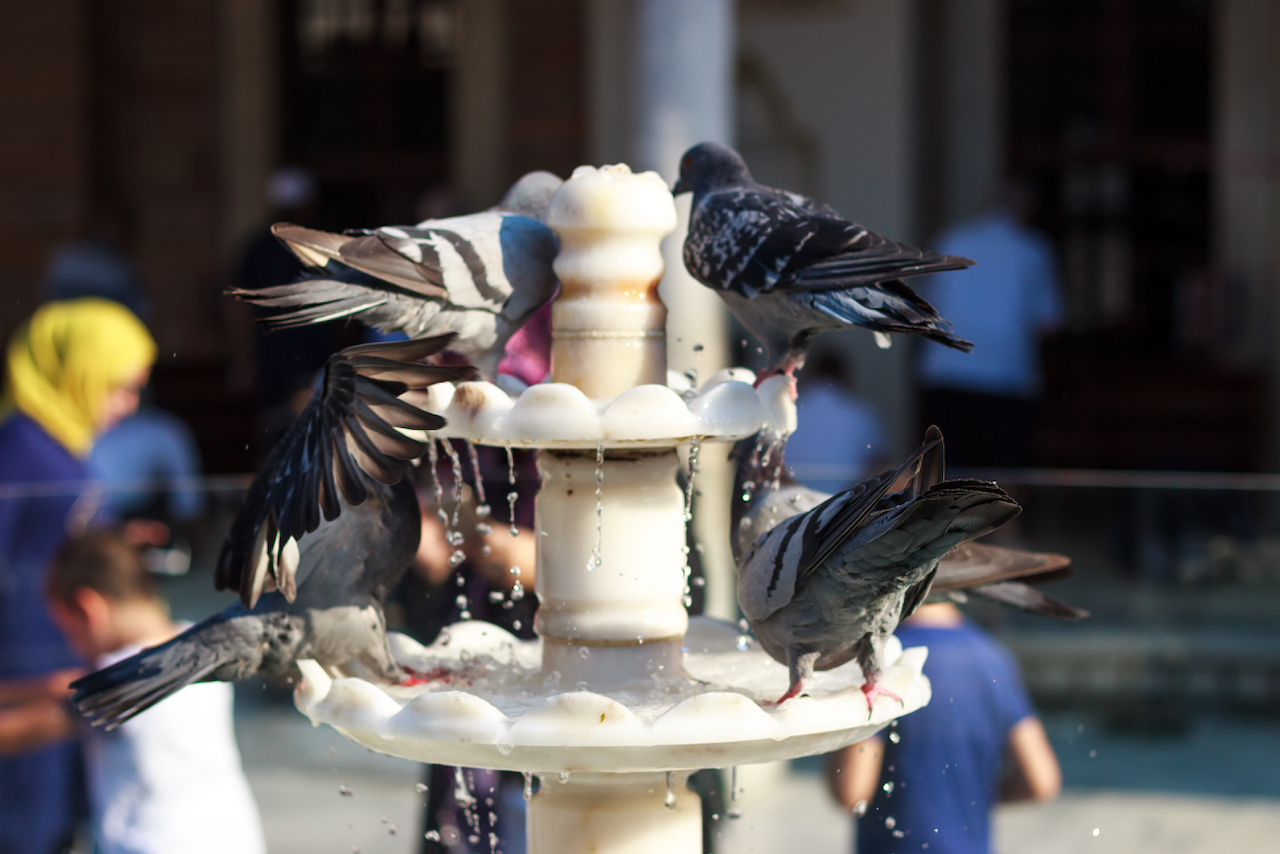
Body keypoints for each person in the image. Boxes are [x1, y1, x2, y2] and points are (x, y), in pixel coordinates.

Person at [0, 298, 156, 854]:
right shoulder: (21, 447)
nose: (128, 404)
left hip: (60, 658)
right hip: (23, 665)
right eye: (119, 387)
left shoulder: (58, 443)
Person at [44, 531, 266, 854]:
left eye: (69, 631)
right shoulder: (198, 644)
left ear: (88, 610)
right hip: (229, 838)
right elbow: (66, 685)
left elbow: (42, 717)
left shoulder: (122, 684)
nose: (72, 645)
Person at [826, 602, 1061, 854]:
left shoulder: (882, 659)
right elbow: (1042, 781)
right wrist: (972, 799)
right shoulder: (993, 657)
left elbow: (852, 792)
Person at [916, 180, 1064, 467]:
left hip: (947, 370)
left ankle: (946, 514)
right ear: (1026, 210)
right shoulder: (1033, 249)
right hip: (1006, 376)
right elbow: (1050, 324)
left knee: (947, 470)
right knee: (1008, 471)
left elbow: (924, 307)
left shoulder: (952, 241)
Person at [784, 351, 887, 494]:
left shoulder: (787, 412)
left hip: (790, 501)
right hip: (844, 506)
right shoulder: (862, 415)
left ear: (809, 375)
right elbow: (880, 464)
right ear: (846, 378)